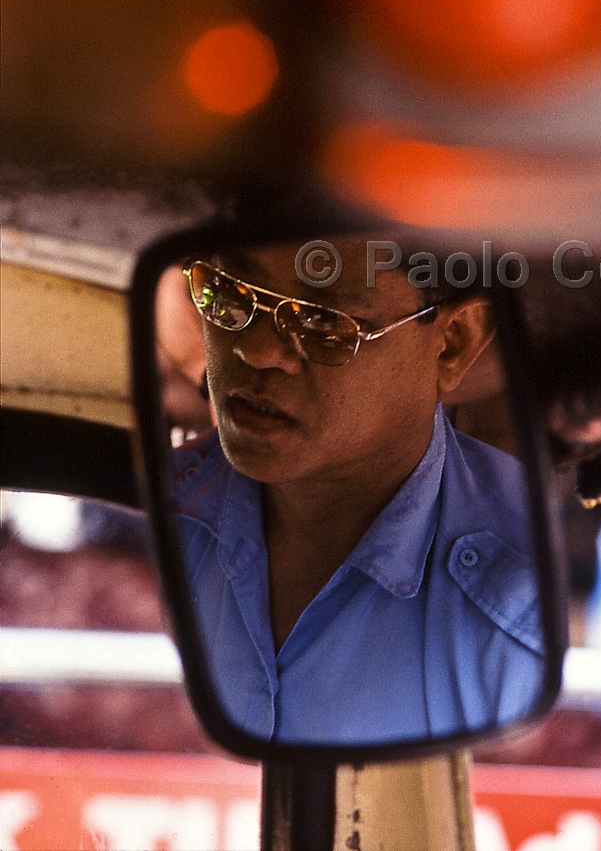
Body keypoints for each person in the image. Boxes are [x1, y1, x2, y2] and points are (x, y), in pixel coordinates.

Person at [169, 238, 545, 744]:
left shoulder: (522, 602)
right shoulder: (151, 517)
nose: (254, 351)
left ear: (452, 341)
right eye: (228, 293)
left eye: (323, 322)